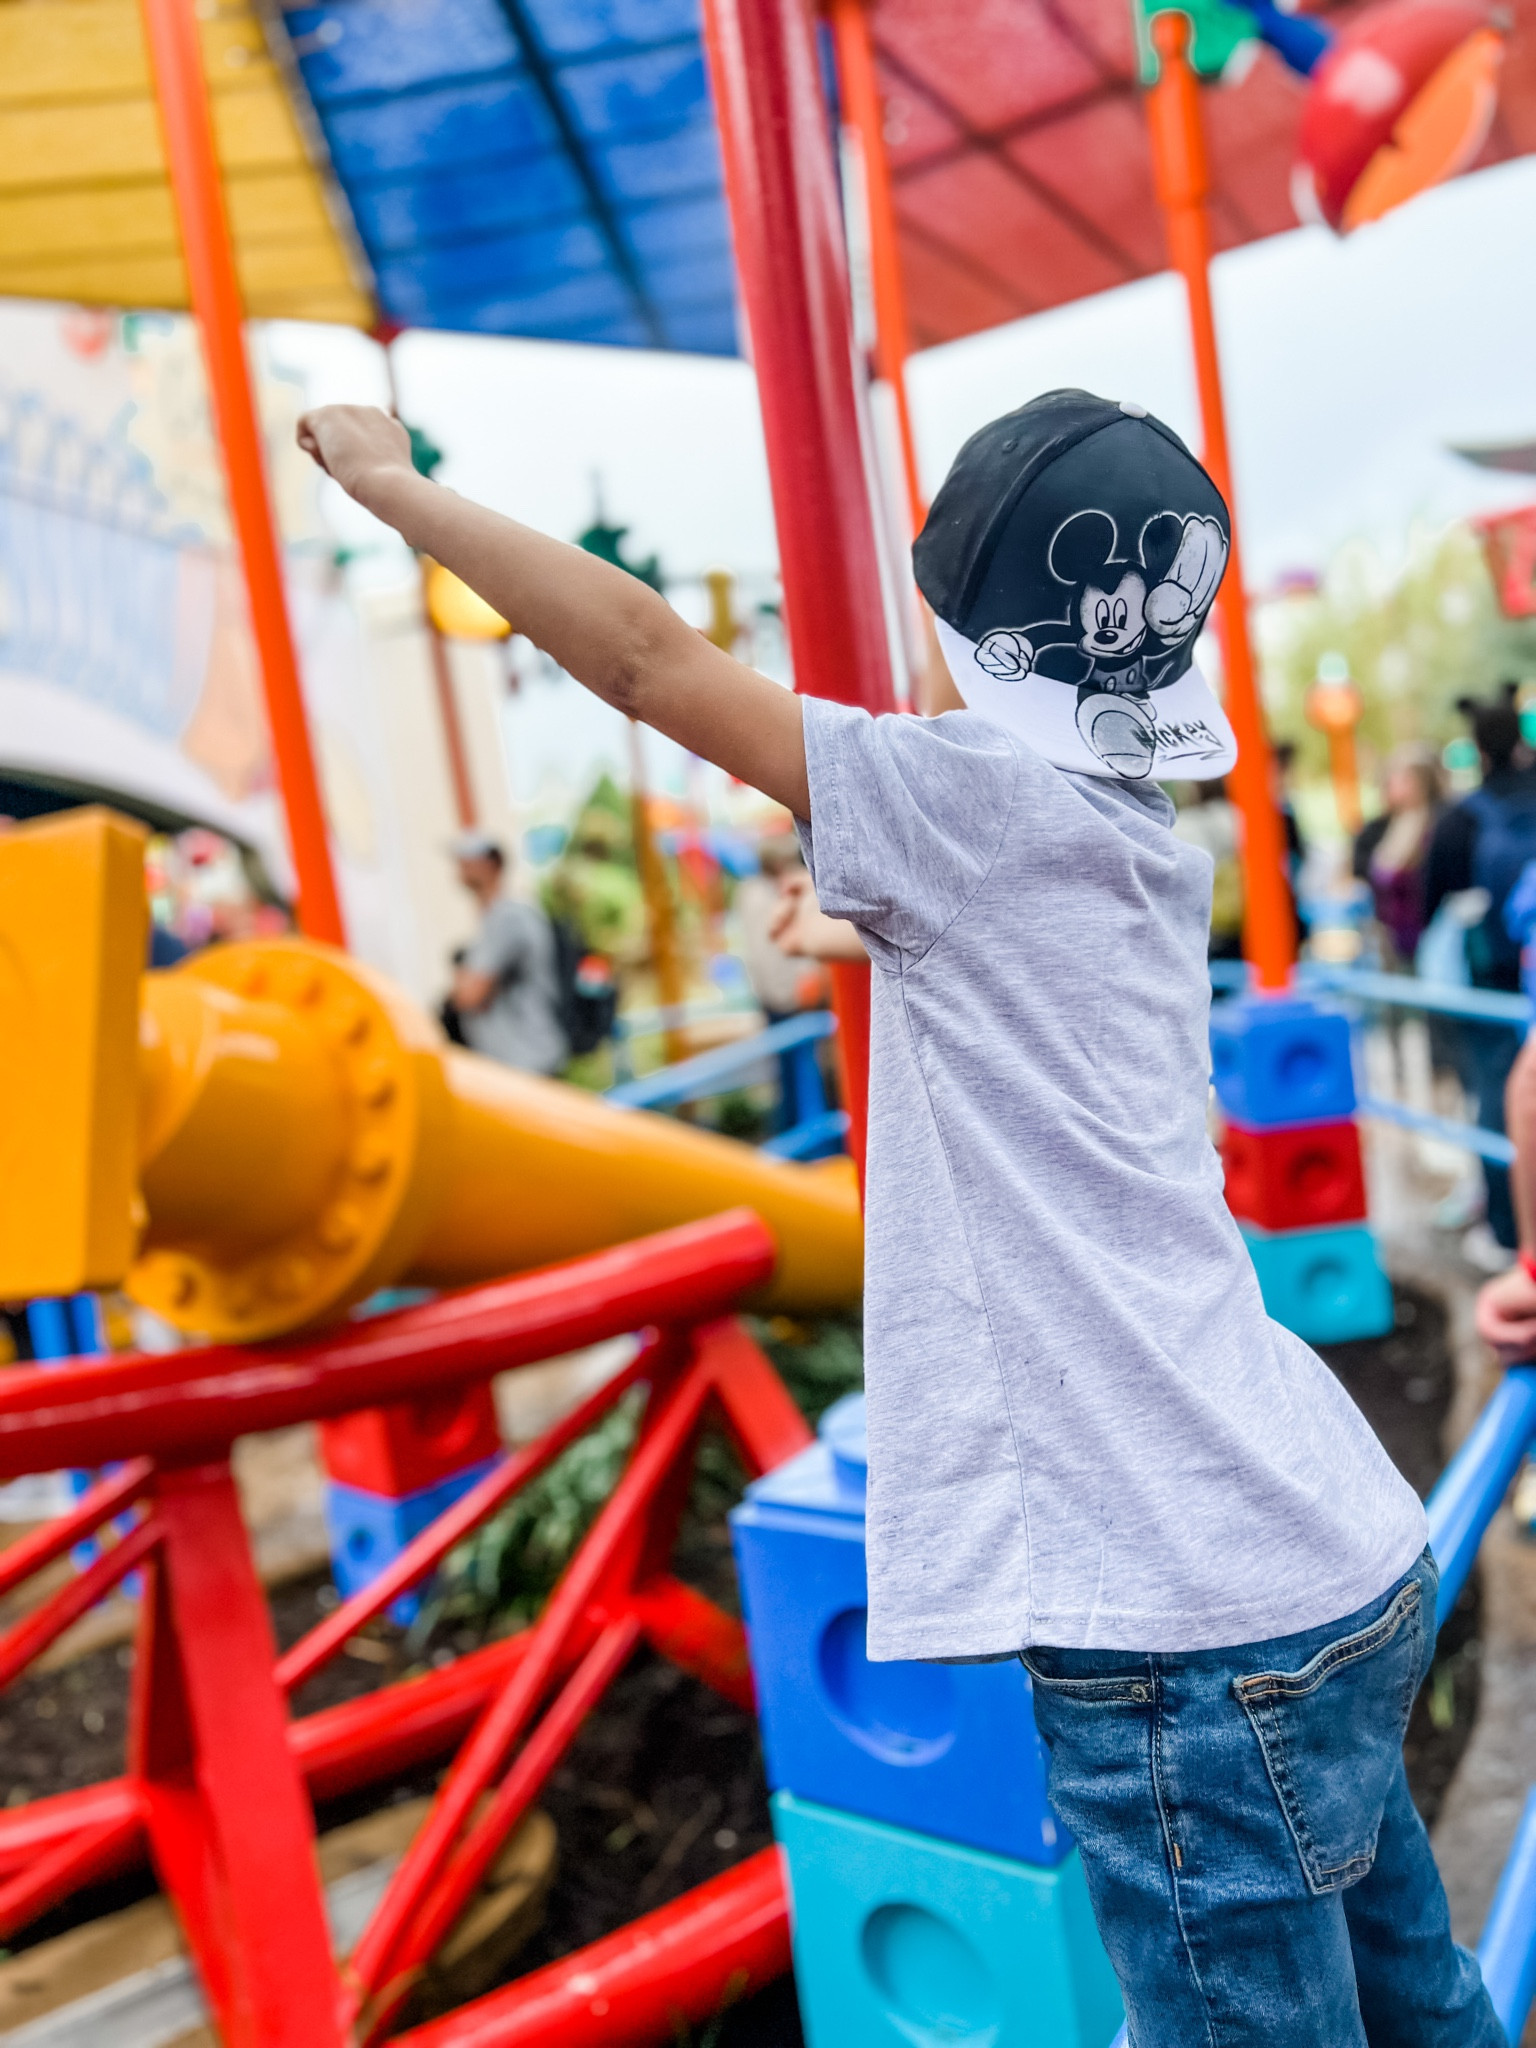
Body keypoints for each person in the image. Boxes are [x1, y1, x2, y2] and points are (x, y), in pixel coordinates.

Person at [298, 390, 1495, 2044]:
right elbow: (1035, 956)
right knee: (1416, 1996)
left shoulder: (952, 801)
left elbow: (648, 663)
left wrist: (394, 489)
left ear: (961, 636)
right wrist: (880, 932)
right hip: (1328, 1549)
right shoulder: (1151, 840)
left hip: (1173, 1629)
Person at [1423, 687, 1536, 1268]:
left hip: (1492, 982)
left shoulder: (1462, 819)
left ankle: (1507, 1233)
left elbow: (1429, 897)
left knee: (1502, 1098)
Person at [446, 829, 569, 1075]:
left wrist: (463, 980)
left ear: (491, 864)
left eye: (467, 859)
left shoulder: (508, 917)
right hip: (519, 1062)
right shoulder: (496, 918)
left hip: (526, 1062)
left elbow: (469, 995)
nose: (459, 867)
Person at [1354, 744, 1445, 967]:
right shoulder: (1389, 825)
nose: (1390, 783)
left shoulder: (1436, 826)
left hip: (1423, 938)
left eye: (1401, 778)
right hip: (1390, 935)